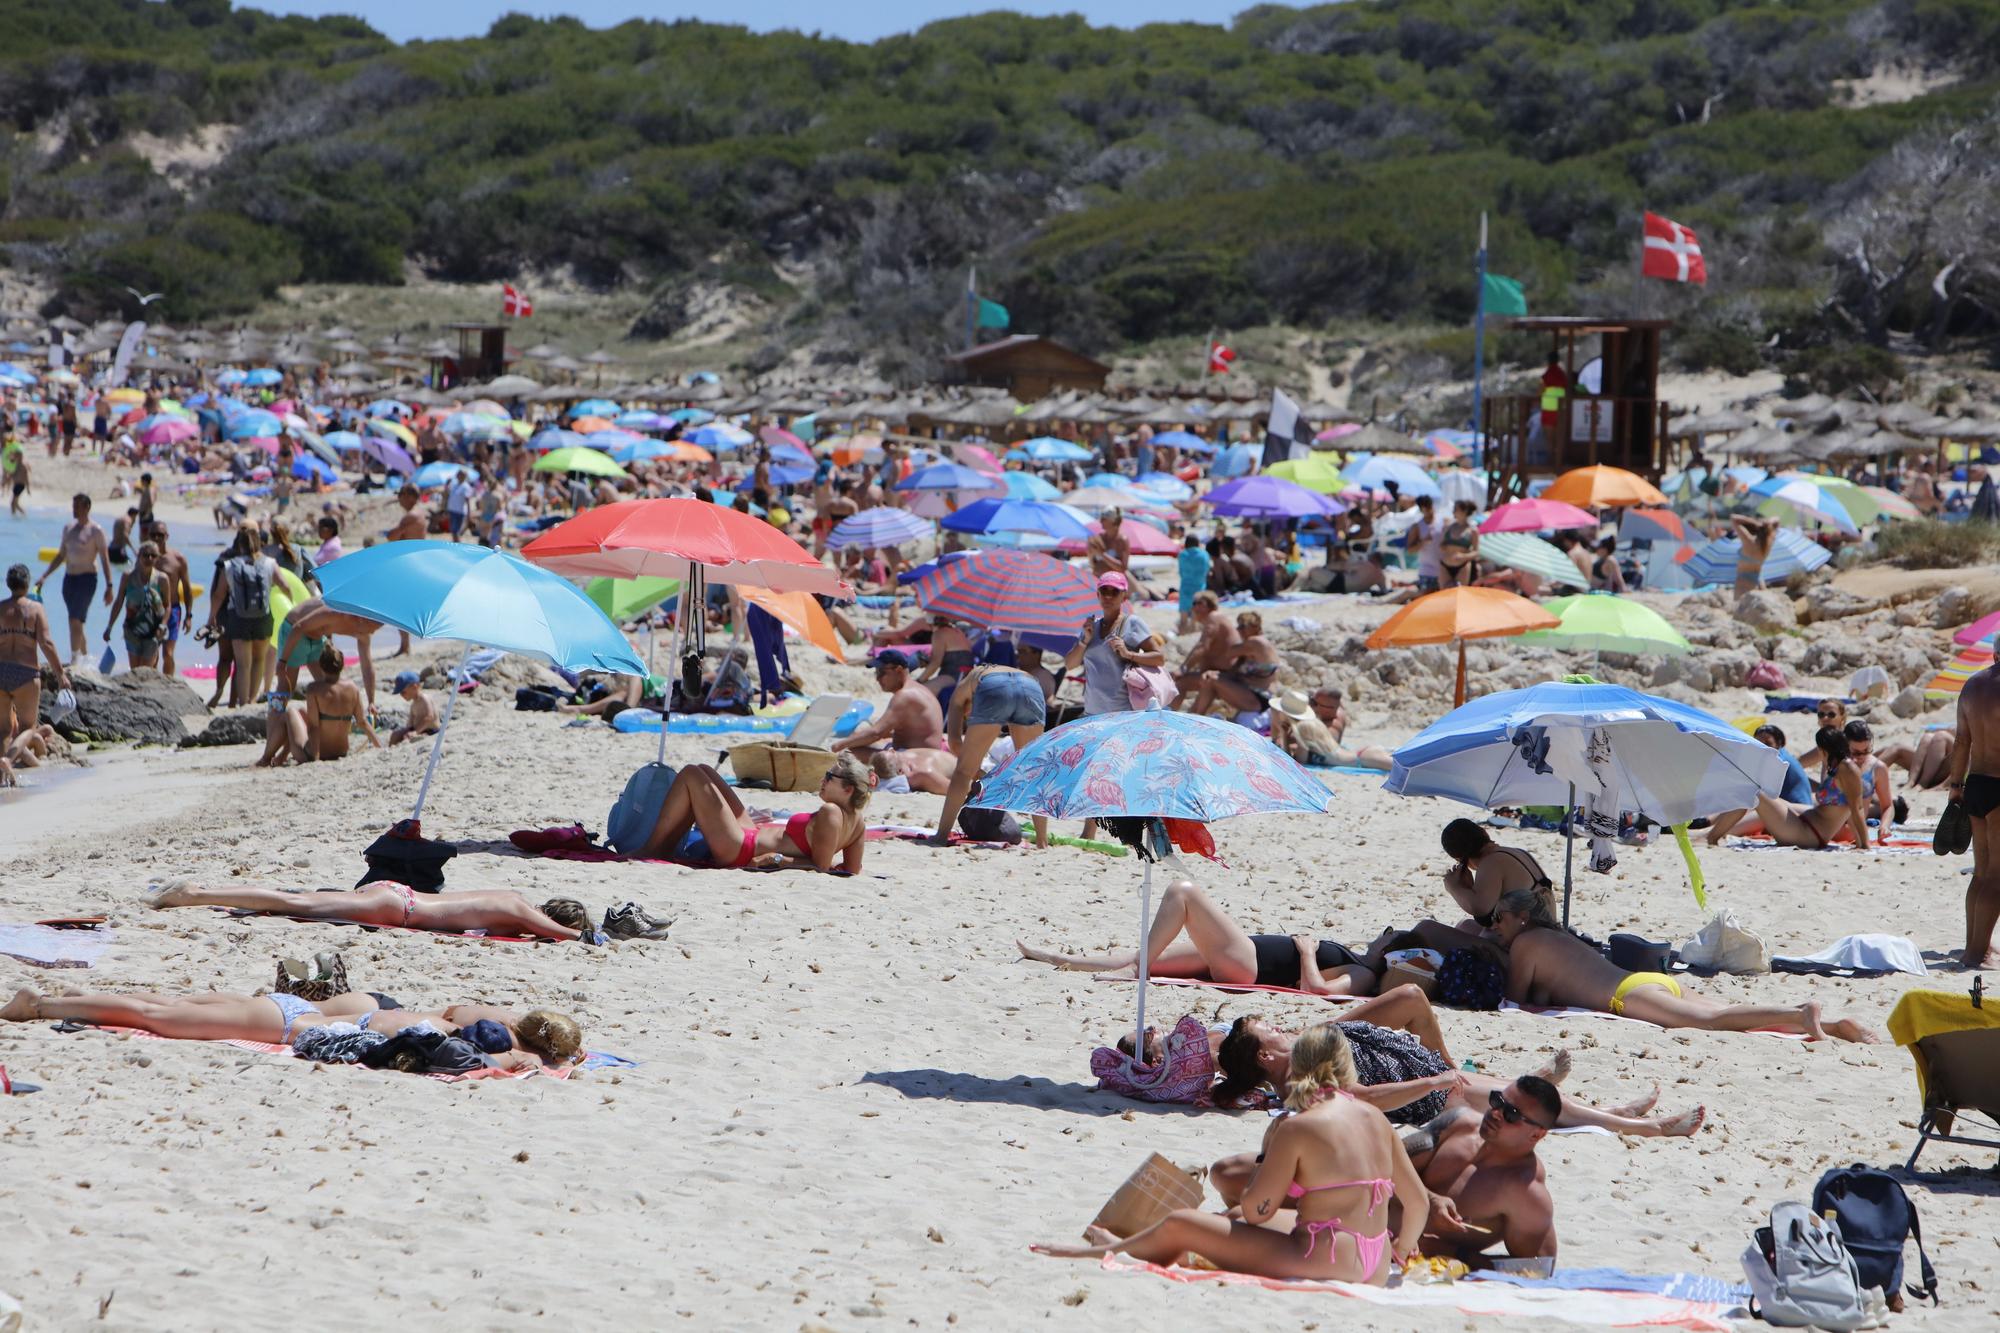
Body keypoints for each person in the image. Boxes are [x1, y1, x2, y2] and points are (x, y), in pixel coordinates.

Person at [1032, 1024, 1428, 1285]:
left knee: (1182, 1221)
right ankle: (1169, 1248)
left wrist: (1267, 1153)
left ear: (1298, 1069)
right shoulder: (1375, 1117)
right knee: (1231, 1218)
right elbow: (1418, 1202)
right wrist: (1400, 1249)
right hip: (1374, 1262)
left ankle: (1107, 1249)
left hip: (1324, 1259)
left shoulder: (1297, 1125)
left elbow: (1259, 1210)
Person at [1204, 1014, 1701, 1138]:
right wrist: (1432, 1083)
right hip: (1425, 1103)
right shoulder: (1301, 1078)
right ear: (1265, 1057)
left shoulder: (1295, 1070)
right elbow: (1364, 1097)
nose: (1274, 1024)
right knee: (1527, 1099)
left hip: (1421, 1086)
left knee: (1515, 1092)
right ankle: (1645, 1127)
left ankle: (1610, 1113)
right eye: (1265, 1029)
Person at [1492, 887, 1880, 1040]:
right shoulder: (1558, 935)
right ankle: (1831, 1026)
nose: (1495, 927)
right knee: (1729, 1014)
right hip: (1646, 979)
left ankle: (1799, 1013)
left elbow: (1513, 999)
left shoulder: (1526, 943)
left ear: (1521, 918)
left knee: (1712, 1023)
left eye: (1499, 919)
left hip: (1624, 994)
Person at [0, 984, 583, 1072]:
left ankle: (61, 999)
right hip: (287, 1022)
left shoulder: (464, 1014)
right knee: (157, 1018)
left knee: (166, 1003)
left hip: (295, 1004)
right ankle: (41, 1006)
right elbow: (521, 1064)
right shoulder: (495, 1047)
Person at [1019, 877, 1379, 995]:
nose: (1380, 938)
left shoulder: (1365, 973)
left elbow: (1318, 991)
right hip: (1241, 954)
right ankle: (1055, 958)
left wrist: (1305, 952)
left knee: (1183, 891)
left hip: (1248, 964)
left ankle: (1135, 968)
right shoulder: (1358, 958)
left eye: (1387, 940)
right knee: (1144, 956)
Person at [1401, 1076, 1561, 1265]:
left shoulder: (1526, 1191)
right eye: (1497, 1100)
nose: (1495, 1113)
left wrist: (1452, 1252)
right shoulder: (1458, 1123)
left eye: (1511, 1114)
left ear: (1537, 1134)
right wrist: (1429, 1199)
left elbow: (1540, 1267)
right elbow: (1382, 1163)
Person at [145, 879, 586, 942]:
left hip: (398, 895)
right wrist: (593, 934)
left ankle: (202, 894)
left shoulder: (511, 895)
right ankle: (195, 894)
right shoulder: (522, 912)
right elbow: (563, 936)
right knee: (291, 903)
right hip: (400, 909)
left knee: (297, 903)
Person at [636, 757, 870, 872]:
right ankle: (663, 847)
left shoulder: (830, 812)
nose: (823, 780)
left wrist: (775, 858)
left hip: (742, 848)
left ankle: (651, 848)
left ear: (848, 789)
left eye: (830, 777)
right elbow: (851, 870)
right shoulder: (858, 822)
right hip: (751, 835)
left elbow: (821, 867)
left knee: (690, 774)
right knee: (704, 770)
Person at [932, 664, 1050, 846]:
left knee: (962, 772)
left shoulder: (964, 691)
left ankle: (941, 836)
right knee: (1033, 773)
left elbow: (955, 744)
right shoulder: (987, 674)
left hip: (995, 686)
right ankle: (1042, 840)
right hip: (1031, 686)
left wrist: (978, 774)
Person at [1946, 661, 2000, 968]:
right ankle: (1978, 954)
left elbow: (1962, 740)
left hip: (1976, 784)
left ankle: (1974, 946)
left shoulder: (1972, 686)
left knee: (1981, 872)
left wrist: (1956, 785)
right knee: (1997, 876)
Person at [1748, 725, 1871, 850]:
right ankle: (1727, 830)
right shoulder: (1837, 766)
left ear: (1823, 749)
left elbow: (1857, 808)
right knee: (1766, 795)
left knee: (1754, 790)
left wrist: (1864, 844)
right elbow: (1850, 808)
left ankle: (1726, 829)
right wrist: (1858, 841)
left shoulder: (1847, 768)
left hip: (1811, 834)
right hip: (1809, 822)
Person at [258, 645, 380, 765]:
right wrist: (379, 745)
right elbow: (362, 722)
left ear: (321, 666)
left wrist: (315, 758)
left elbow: (313, 727)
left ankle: (265, 759)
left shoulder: (314, 689)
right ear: (341, 666)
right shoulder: (353, 688)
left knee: (289, 713)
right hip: (341, 752)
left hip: (315, 754)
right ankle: (281, 757)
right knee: (300, 711)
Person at [1703, 723, 1816, 844]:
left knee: (1747, 796)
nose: (1762, 747)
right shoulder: (1781, 757)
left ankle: (1707, 830)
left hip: (1793, 815)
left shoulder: (1778, 761)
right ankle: (1707, 823)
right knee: (1744, 798)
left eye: (1767, 743)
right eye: (1758, 743)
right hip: (1789, 810)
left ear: (1779, 744)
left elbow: (1753, 792)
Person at [35, 493, 112, 663]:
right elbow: (61, 555)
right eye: (73, 506)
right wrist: (44, 576)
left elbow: (104, 558)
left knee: (74, 619)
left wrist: (110, 585)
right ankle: (85, 657)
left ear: (87, 507)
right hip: (69, 580)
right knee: (76, 620)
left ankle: (74, 660)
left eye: (77, 506)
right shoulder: (68, 529)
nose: (73, 509)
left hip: (87, 579)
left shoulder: (95, 531)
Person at [1, 563, 70, 747]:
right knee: (27, 728)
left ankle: (3, 771)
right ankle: (9, 761)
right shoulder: (35, 609)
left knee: (3, 730)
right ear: (27, 583)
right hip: (26, 674)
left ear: (8, 583)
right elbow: (46, 643)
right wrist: (60, 674)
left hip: (1, 670)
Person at [215, 523, 280, 706]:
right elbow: (286, 585)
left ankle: (243, 702)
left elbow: (219, 594)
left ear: (240, 544)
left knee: (243, 665)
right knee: (259, 659)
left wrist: (211, 616)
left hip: (238, 617)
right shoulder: (269, 563)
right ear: (260, 543)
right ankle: (252, 699)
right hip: (263, 617)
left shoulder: (230, 565)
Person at [832, 650, 946, 753]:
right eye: (876, 673)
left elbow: (876, 733)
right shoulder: (919, 689)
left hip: (917, 759)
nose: (877, 678)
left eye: (881, 672)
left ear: (899, 670)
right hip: (927, 754)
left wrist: (839, 745)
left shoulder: (904, 696)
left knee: (852, 753)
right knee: (863, 740)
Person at [1183, 610, 1280, 719]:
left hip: (1259, 699)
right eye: (1238, 627)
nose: (1239, 630)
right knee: (1210, 679)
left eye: (1242, 627)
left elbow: (1229, 653)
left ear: (1255, 627)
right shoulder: (1252, 649)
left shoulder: (1255, 642)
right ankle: (1194, 713)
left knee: (1211, 680)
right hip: (1255, 696)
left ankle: (1196, 716)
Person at [1269, 689, 1391, 770]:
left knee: (1406, 769)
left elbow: (1300, 761)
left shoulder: (1303, 728)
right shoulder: (1312, 723)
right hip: (1363, 755)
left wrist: (1283, 735)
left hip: (1364, 759)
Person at [104, 540, 170, 671]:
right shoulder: (128, 577)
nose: (149, 558)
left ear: (157, 558)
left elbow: (167, 605)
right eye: (145, 555)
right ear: (138, 556)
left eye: (153, 555)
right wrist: (109, 627)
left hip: (153, 632)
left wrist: (163, 624)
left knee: (146, 670)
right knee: (135, 670)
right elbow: (118, 602)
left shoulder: (162, 579)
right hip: (132, 630)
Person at [145, 520, 193, 678]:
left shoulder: (178, 559)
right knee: (151, 652)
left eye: (160, 535)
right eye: (153, 535)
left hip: (172, 610)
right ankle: (152, 684)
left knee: (168, 653)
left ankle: (169, 683)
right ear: (148, 536)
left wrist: (189, 615)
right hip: (150, 610)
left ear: (167, 536)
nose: (157, 538)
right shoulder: (145, 558)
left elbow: (187, 588)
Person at [1172, 590, 1239, 697]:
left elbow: (1202, 647)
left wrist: (1183, 669)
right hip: (1221, 673)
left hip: (1226, 675)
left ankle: (1169, 712)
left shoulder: (1213, 618)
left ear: (1209, 605)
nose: (1194, 608)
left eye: (1199, 604)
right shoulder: (1216, 619)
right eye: (1194, 603)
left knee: (1181, 682)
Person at [1842, 719, 1899, 827]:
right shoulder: (1836, 762)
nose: (1861, 756)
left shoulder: (1877, 767)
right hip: (1831, 825)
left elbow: (1887, 806)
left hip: (1854, 830)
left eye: (1867, 751)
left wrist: (1884, 826)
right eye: (1856, 752)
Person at [915, 616, 974, 702]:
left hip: (955, 675)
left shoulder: (939, 634)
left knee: (918, 693)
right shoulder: (957, 631)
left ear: (930, 624)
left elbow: (935, 663)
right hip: (964, 674)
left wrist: (919, 681)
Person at [1881, 727, 1954, 791]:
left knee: (1941, 736)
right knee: (1927, 737)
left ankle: (1922, 783)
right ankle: (1911, 781)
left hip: (1952, 770)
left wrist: (1942, 786)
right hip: (1933, 765)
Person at [868, 747, 956, 795]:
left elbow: (959, 790)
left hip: (964, 768)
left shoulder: (921, 773)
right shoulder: (907, 755)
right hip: (956, 761)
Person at [1730, 514, 1780, 596]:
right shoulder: (1767, 543)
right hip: (1759, 580)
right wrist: (1763, 524)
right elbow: (1777, 519)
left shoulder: (1749, 541)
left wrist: (1755, 523)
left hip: (1744, 582)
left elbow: (1733, 518)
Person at [1438, 499, 1480, 588]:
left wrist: (1463, 556)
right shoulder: (1448, 527)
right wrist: (1443, 546)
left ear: (1464, 511)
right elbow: (1441, 544)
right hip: (1446, 564)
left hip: (1462, 565)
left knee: (1459, 592)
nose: (1453, 511)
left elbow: (1476, 552)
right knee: (1444, 593)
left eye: (1456, 509)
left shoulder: (1473, 531)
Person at [389, 669, 438, 744]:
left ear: (415, 686)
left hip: (430, 730)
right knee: (395, 735)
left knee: (409, 738)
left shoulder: (424, 698)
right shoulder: (413, 704)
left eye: (403, 692)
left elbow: (429, 717)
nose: (402, 695)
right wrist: (407, 730)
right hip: (418, 729)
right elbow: (410, 723)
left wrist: (416, 732)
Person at [1176, 532, 1211, 633]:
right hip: (1199, 588)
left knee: (1183, 619)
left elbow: (1181, 572)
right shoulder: (1204, 554)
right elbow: (1207, 570)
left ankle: (1182, 635)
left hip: (1185, 588)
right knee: (1196, 618)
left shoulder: (1182, 555)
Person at [1409, 495, 1441, 593]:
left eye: (1428, 507)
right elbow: (1410, 550)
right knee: (1424, 594)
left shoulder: (1442, 522)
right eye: (1424, 509)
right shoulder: (1417, 526)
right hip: (1427, 569)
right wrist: (1423, 542)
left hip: (1443, 569)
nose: (1427, 511)